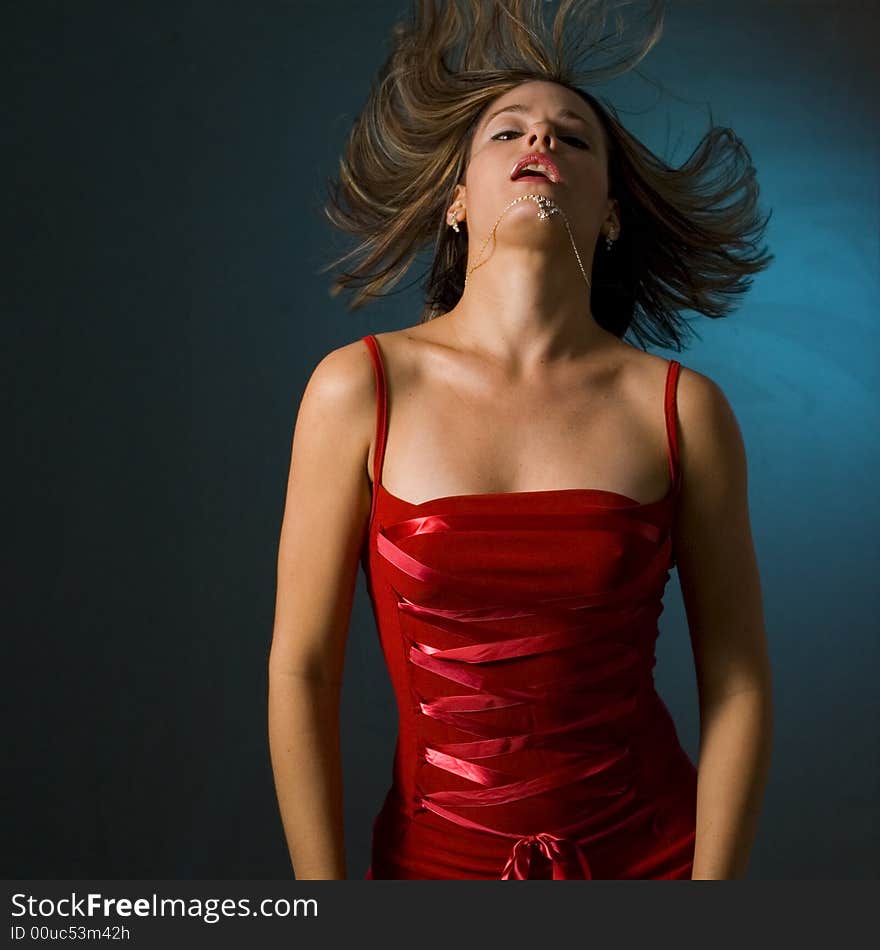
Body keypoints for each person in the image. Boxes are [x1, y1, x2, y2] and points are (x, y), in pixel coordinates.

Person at [268, 0, 774, 880]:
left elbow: (737, 685)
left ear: (610, 213)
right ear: (458, 198)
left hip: (655, 860)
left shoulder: (680, 408)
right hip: (431, 866)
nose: (541, 142)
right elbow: (302, 671)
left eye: (574, 138)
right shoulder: (359, 389)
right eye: (508, 132)